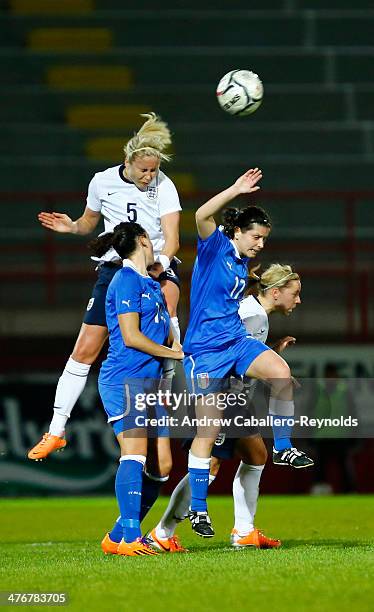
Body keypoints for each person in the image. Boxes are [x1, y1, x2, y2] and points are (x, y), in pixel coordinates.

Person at [28, 112, 181, 461]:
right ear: (127, 162)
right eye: (144, 170)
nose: (150, 176)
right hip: (115, 272)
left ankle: (167, 414)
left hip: (156, 270)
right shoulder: (101, 182)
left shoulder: (165, 187)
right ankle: (56, 430)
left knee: (169, 320)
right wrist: (73, 227)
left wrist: (162, 265)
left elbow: (172, 239)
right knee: (85, 349)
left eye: (154, 170)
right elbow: (89, 224)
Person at [181, 168, 311, 538]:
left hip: (235, 342)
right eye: (256, 237)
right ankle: (199, 510)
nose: (260, 244)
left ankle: (283, 446)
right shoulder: (215, 247)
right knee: (208, 431)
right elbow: (200, 216)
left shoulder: (239, 263)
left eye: (264, 239)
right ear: (237, 232)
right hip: (205, 352)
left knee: (281, 373)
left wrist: (267, 348)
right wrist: (235, 190)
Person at [149, 263, 302, 551]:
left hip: (234, 399)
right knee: (213, 465)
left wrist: (271, 354)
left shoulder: (257, 315)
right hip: (219, 394)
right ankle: (164, 532)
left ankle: (242, 530)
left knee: (256, 455)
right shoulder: (249, 313)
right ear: (277, 292)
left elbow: (242, 351)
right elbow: (220, 348)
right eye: (295, 293)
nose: (298, 300)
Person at [88, 222, 184, 556]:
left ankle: (115, 537)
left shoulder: (150, 283)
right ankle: (131, 536)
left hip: (151, 382)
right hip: (124, 378)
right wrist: (174, 353)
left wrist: (182, 345)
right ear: (143, 240)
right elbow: (131, 336)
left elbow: (163, 331)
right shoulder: (124, 279)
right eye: (153, 239)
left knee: (162, 467)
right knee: (134, 453)